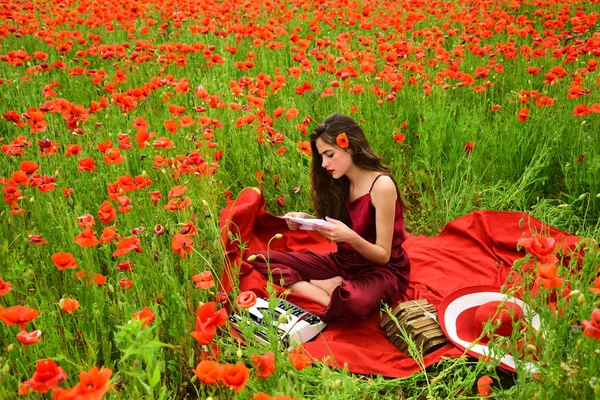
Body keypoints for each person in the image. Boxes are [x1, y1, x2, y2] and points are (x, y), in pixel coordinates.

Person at [248, 113, 410, 322]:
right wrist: (305, 219)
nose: (324, 164)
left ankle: (332, 288)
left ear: (349, 147)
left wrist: (349, 237)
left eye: (329, 154)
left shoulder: (381, 186)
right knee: (261, 259)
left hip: (382, 270)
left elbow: (383, 255)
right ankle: (324, 288)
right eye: (321, 156)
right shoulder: (340, 181)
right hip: (344, 262)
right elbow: (341, 223)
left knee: (354, 302)